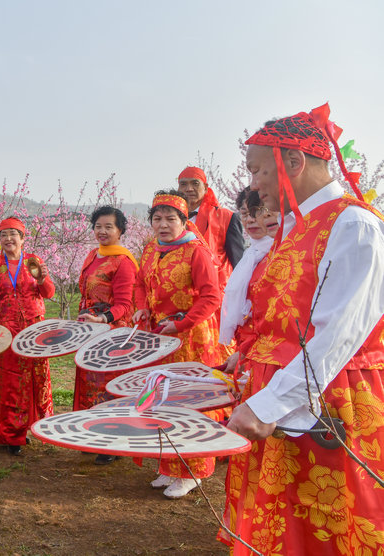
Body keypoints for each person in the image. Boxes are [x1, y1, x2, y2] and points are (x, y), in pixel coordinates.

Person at [222, 104, 384, 555]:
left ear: (292, 162)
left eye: (257, 171)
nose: (252, 185)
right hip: (281, 395)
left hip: (329, 401)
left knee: (326, 526)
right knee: (281, 524)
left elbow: (339, 336)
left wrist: (269, 402)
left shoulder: (354, 225)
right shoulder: (294, 226)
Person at [132, 190, 224, 499]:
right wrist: (142, 306)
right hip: (161, 337)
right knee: (163, 400)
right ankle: (170, 465)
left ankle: (193, 470)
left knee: (190, 402)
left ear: (184, 222)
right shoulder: (150, 249)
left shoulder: (195, 251)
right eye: (157, 219)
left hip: (192, 337)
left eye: (171, 219)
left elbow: (212, 296)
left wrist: (182, 323)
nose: (163, 224)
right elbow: (140, 285)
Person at [0, 217, 55, 456]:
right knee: (9, 382)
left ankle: (34, 426)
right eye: (3, 235)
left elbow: (49, 293)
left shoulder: (34, 262)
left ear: (23, 238)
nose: (8, 239)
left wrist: (42, 280)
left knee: (35, 378)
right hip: (6, 331)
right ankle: (10, 434)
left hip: (33, 330)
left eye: (13, 234)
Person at [73, 205, 139, 465]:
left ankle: (111, 442)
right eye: (98, 226)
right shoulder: (92, 255)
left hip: (112, 335)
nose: (102, 231)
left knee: (107, 388)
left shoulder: (123, 262)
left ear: (120, 230)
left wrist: (103, 319)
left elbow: (125, 303)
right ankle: (89, 434)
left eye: (108, 227)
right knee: (89, 385)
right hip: (89, 329)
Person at [218, 187, 278, 375]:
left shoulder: (280, 254)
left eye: (258, 211)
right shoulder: (251, 255)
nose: (250, 220)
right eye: (245, 214)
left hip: (269, 355)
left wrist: (245, 353)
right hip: (249, 351)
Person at [177, 166, 244, 289]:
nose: (189, 189)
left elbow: (238, 262)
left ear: (206, 188)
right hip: (180, 291)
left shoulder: (226, 217)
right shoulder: (172, 219)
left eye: (195, 183)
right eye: (183, 184)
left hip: (217, 289)